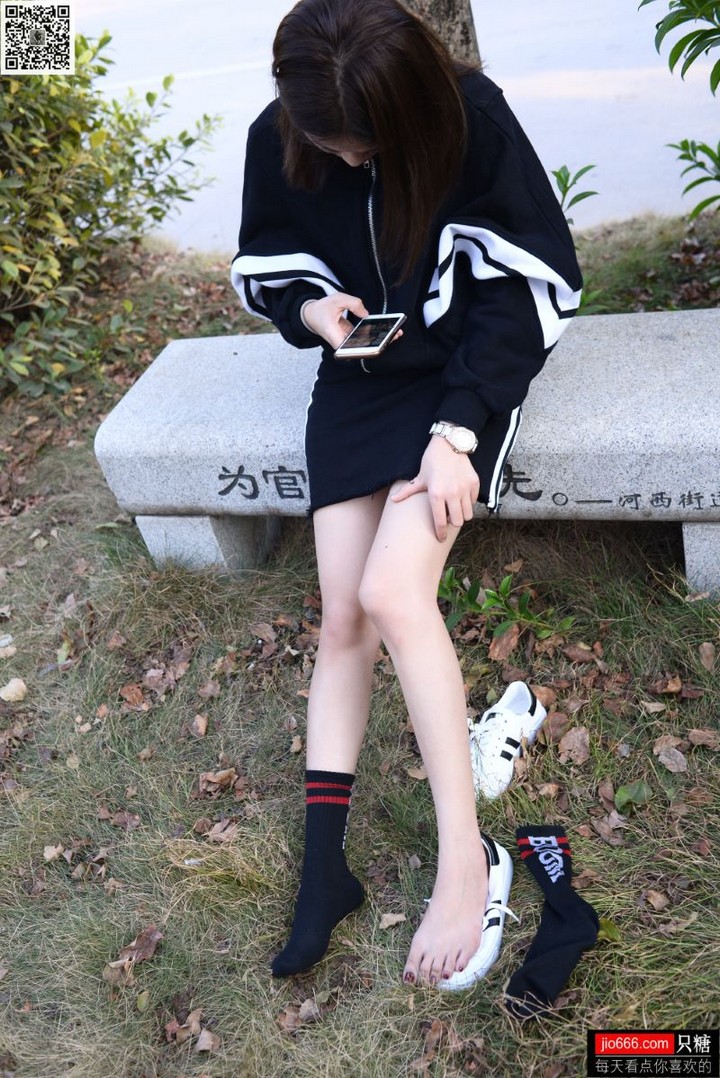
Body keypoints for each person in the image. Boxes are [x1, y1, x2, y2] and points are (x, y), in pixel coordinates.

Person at [231, 0, 582, 988]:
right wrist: (313, 311)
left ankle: (467, 859)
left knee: (392, 591)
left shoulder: (473, 117)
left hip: (466, 373)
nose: (348, 160)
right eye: (330, 144)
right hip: (361, 373)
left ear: (408, 107)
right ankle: (324, 874)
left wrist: (459, 430)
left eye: (364, 145)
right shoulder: (285, 130)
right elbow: (270, 264)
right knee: (343, 613)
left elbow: (523, 288)